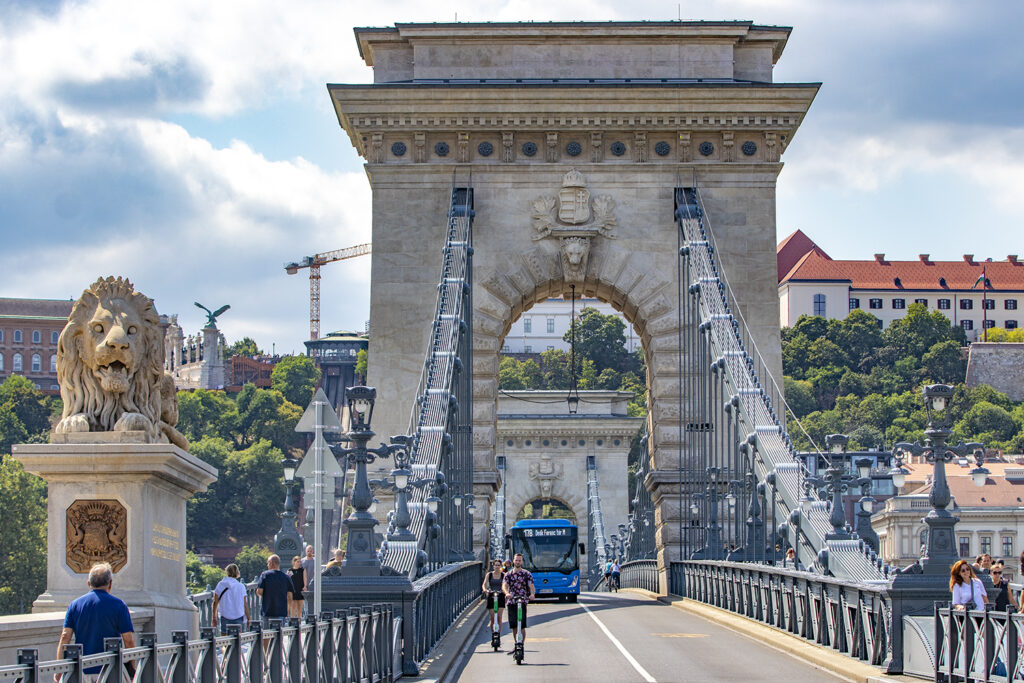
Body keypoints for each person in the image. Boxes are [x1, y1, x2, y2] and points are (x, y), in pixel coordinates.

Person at [57, 563, 135, 677]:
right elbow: (128, 640)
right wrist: (132, 668)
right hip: (110, 671)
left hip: (81, 671)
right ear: (110, 583)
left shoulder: (74, 605)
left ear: (89, 584)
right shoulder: (119, 605)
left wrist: (60, 668)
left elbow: (65, 637)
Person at [502, 553, 535, 647]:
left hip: (523, 600)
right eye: (516, 560)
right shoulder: (508, 574)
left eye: (519, 560)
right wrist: (506, 593)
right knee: (514, 626)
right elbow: (504, 585)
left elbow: (531, 586)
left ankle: (521, 645)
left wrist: (532, 594)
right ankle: (516, 643)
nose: (518, 562)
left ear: (522, 561)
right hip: (512, 601)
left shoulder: (527, 574)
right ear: (513, 561)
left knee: (522, 625)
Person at [212, 564, 250, 634]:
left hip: (225, 615)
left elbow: (215, 602)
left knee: (225, 641)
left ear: (227, 572)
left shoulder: (220, 585)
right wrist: (248, 618)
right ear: (237, 573)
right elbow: (245, 604)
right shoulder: (241, 586)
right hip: (238, 615)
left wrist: (214, 617)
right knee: (238, 641)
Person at [256, 554, 292, 623]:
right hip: (281, 612)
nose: (267, 565)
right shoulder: (286, 577)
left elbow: (260, 591)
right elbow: (290, 596)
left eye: (268, 563)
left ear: (271, 563)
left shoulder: (265, 575)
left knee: (267, 633)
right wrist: (287, 610)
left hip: (267, 611)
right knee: (279, 632)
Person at [482, 560, 506, 630]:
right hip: (491, 595)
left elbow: (506, 585)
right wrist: (485, 589)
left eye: (499, 565)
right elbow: (484, 584)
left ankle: (498, 635)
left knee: (499, 618)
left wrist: (505, 591)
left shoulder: (503, 575)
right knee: (492, 618)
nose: (497, 567)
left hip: (501, 595)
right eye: (495, 565)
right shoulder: (489, 575)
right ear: (493, 566)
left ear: (501, 566)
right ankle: (493, 634)